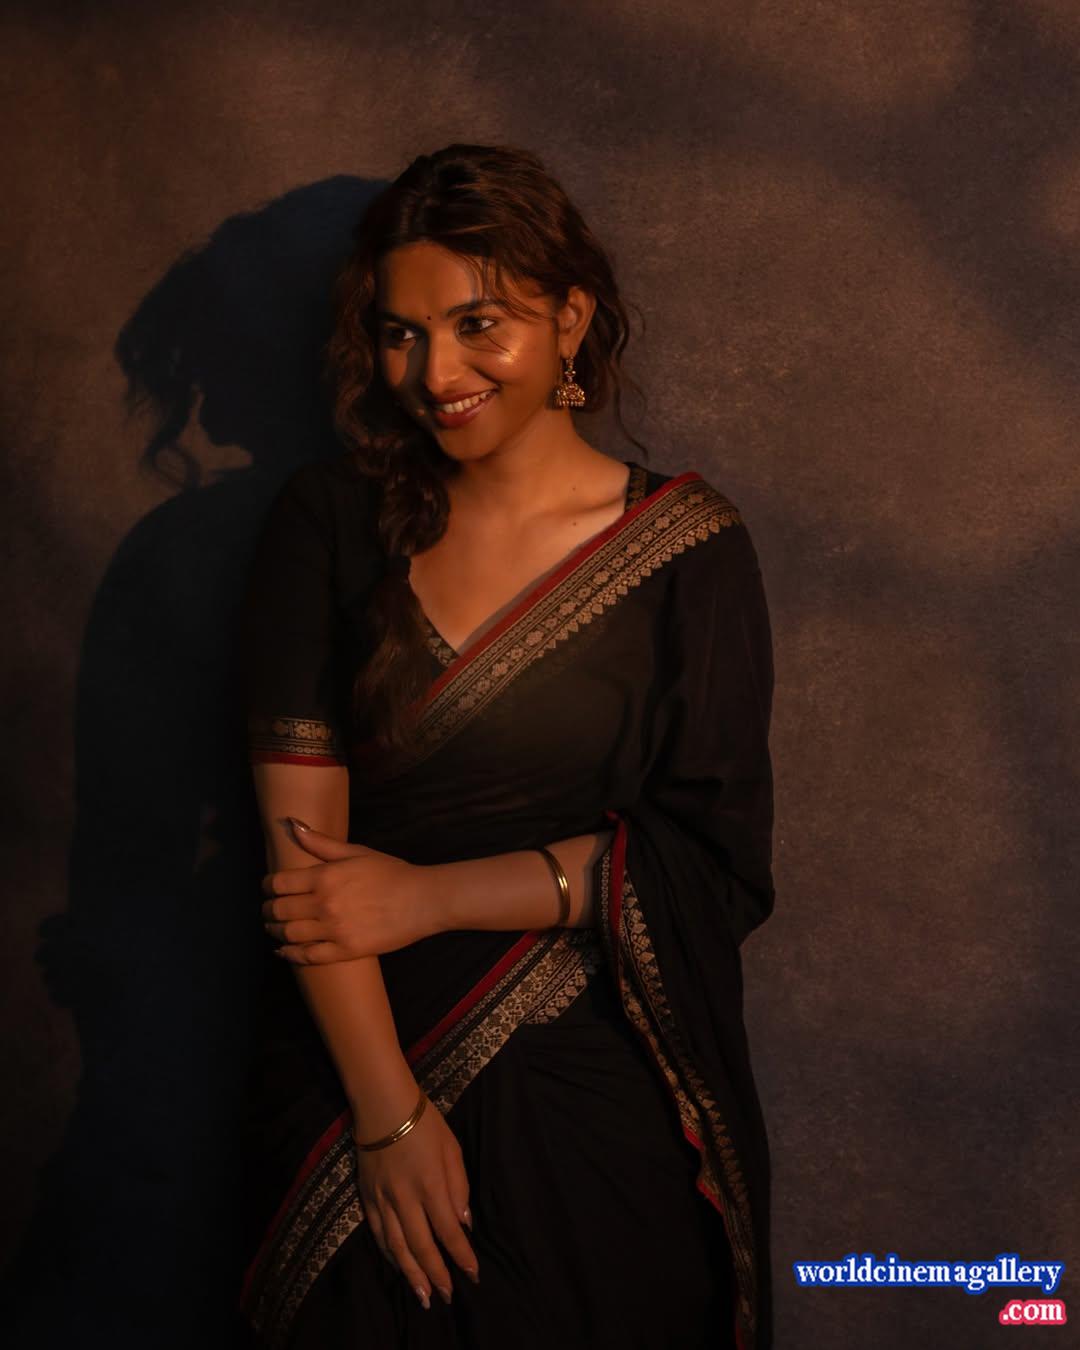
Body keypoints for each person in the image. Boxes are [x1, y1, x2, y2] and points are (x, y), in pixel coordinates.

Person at [235, 143, 776, 1350]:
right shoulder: (329, 525)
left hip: (593, 1093)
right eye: (402, 334)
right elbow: (306, 875)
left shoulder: (689, 553)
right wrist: (388, 1117)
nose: (436, 374)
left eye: (479, 324)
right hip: (349, 1074)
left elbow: (710, 865)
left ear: (570, 318)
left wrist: (427, 897)